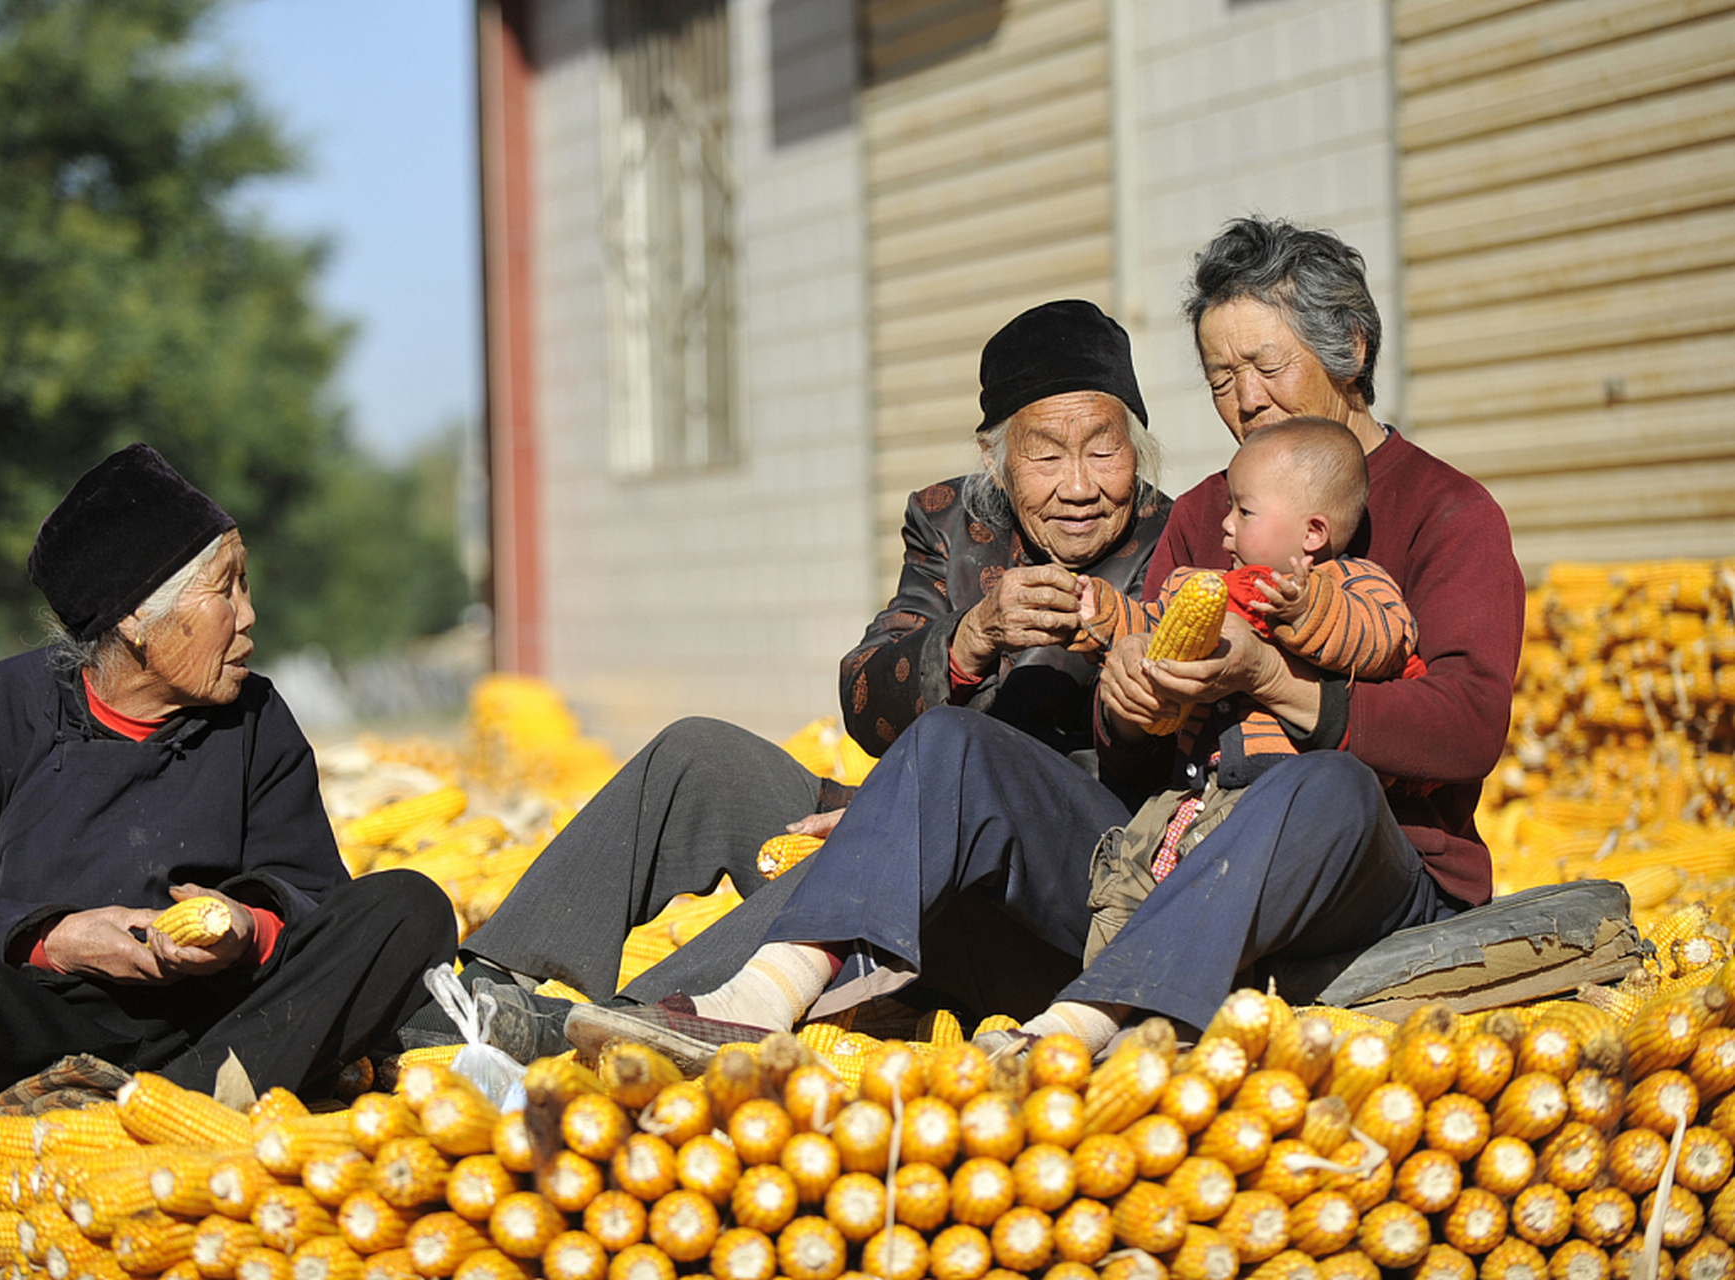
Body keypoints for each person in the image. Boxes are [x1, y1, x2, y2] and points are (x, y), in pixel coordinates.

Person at [566, 215, 1522, 1065]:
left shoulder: (1446, 512)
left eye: (1267, 367)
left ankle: (1083, 1028)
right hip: (1165, 853)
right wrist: (1132, 700)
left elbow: (1469, 724)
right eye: (1221, 378)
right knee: (944, 747)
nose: (1245, 400)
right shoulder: (1204, 518)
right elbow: (1118, 754)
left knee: (1325, 782)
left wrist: (1274, 678)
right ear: (998, 457)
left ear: (1350, 348)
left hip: (1368, 864)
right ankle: (746, 1002)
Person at [0, 444, 457, 1279]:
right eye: (227, 589)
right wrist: (56, 938)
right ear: (135, 623)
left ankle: (156, 1116)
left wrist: (244, 930)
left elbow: (315, 895)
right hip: (31, 1022)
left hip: (212, 1029)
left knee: (409, 904)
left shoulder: (256, 720)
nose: (252, 616)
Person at [454, 300, 1170, 1050]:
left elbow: (1170, 775)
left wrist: (1120, 641)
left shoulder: (1176, 546)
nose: (1081, 486)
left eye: (1104, 450)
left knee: (860, 848)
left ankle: (634, 1028)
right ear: (995, 460)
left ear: (1138, 450)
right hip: (911, 829)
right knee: (700, 756)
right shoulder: (954, 523)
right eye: (1047, 455)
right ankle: (489, 982)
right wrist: (971, 638)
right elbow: (867, 703)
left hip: (1050, 908)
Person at [1071, 414, 1415, 965]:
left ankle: (1162, 1005)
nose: (1224, 526)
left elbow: (1385, 639)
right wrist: (1105, 613)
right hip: (1189, 793)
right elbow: (1151, 623)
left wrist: (1304, 612)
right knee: (1124, 879)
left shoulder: (1351, 583)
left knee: (1203, 894)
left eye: (1243, 511)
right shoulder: (1212, 585)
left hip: (1265, 800)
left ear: (1313, 534)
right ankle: (1099, 1008)